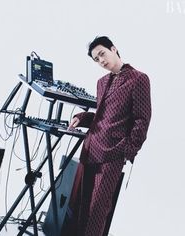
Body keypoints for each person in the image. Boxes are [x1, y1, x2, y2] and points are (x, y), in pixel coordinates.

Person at [61, 36, 151, 236]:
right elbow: (102, 115)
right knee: (82, 207)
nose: (101, 61)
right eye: (96, 59)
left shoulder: (138, 79)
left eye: (102, 54)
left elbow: (142, 120)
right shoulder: (101, 82)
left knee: (98, 211)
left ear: (114, 49)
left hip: (112, 155)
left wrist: (125, 152)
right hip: (90, 148)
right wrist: (81, 117)